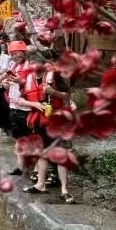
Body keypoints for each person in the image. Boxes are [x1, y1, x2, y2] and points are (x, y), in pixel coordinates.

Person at [26, 59, 76, 203]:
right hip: (41, 121)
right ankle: (40, 184)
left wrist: (52, 92)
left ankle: (64, 190)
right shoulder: (32, 78)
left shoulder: (58, 76)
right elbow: (22, 98)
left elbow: (68, 97)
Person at [5, 47, 44, 177]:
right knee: (18, 139)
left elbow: (31, 84)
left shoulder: (31, 67)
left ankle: (37, 170)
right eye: (13, 54)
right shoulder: (14, 66)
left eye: (17, 53)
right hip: (14, 106)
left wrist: (19, 81)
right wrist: (7, 84)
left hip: (27, 109)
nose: (15, 56)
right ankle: (20, 167)